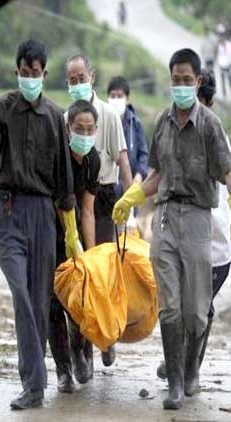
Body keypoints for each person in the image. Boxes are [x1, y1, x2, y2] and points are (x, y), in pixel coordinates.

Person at [112, 48, 231, 411]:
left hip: (200, 220)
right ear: (170, 80)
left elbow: (229, 171)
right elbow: (156, 175)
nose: (182, 86)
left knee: (196, 310)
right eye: (176, 80)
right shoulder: (162, 124)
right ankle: (174, 384)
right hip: (167, 219)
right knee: (169, 309)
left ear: (198, 81)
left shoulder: (209, 125)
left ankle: (191, 371)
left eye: (188, 80)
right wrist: (132, 196)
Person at [0, 40, 78, 410]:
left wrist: (70, 233)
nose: (30, 78)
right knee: (21, 293)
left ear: (45, 74)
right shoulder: (4, 109)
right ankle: (36, 381)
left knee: (39, 302)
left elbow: (64, 183)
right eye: (24, 73)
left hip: (43, 216)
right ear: (16, 72)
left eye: (36, 73)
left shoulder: (56, 118)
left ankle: (34, 389)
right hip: (8, 213)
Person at [156, 68, 231, 383]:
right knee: (178, 304)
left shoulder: (214, 137)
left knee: (199, 307)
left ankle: (190, 368)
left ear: (209, 104)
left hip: (211, 241)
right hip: (182, 235)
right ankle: (181, 365)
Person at [65, 53, 132, 368]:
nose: (78, 83)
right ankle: (83, 351)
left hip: (104, 201)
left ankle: (106, 337)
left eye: (82, 77)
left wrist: (129, 205)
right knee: (78, 278)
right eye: (72, 80)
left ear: (92, 76)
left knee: (103, 276)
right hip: (74, 199)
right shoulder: (67, 118)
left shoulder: (109, 115)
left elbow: (123, 163)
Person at [49, 100, 101, 394]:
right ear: (68, 128)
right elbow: (60, 201)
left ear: (96, 129)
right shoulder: (59, 157)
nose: (84, 133)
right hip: (52, 232)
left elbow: (89, 210)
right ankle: (63, 370)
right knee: (54, 302)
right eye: (78, 128)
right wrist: (69, 237)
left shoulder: (93, 160)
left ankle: (81, 348)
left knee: (82, 298)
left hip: (78, 233)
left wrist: (90, 253)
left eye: (89, 128)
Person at [107, 76, 148, 191]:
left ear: (127, 98)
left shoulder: (135, 123)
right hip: (106, 189)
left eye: (119, 96)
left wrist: (139, 175)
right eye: (112, 96)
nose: (116, 99)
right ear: (107, 98)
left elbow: (143, 154)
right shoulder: (102, 122)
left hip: (130, 187)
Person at [216, 36, 231, 100]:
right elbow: (219, 55)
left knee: (229, 78)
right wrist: (218, 64)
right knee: (223, 79)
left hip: (228, 64)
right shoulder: (220, 46)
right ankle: (224, 94)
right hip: (222, 64)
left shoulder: (229, 45)